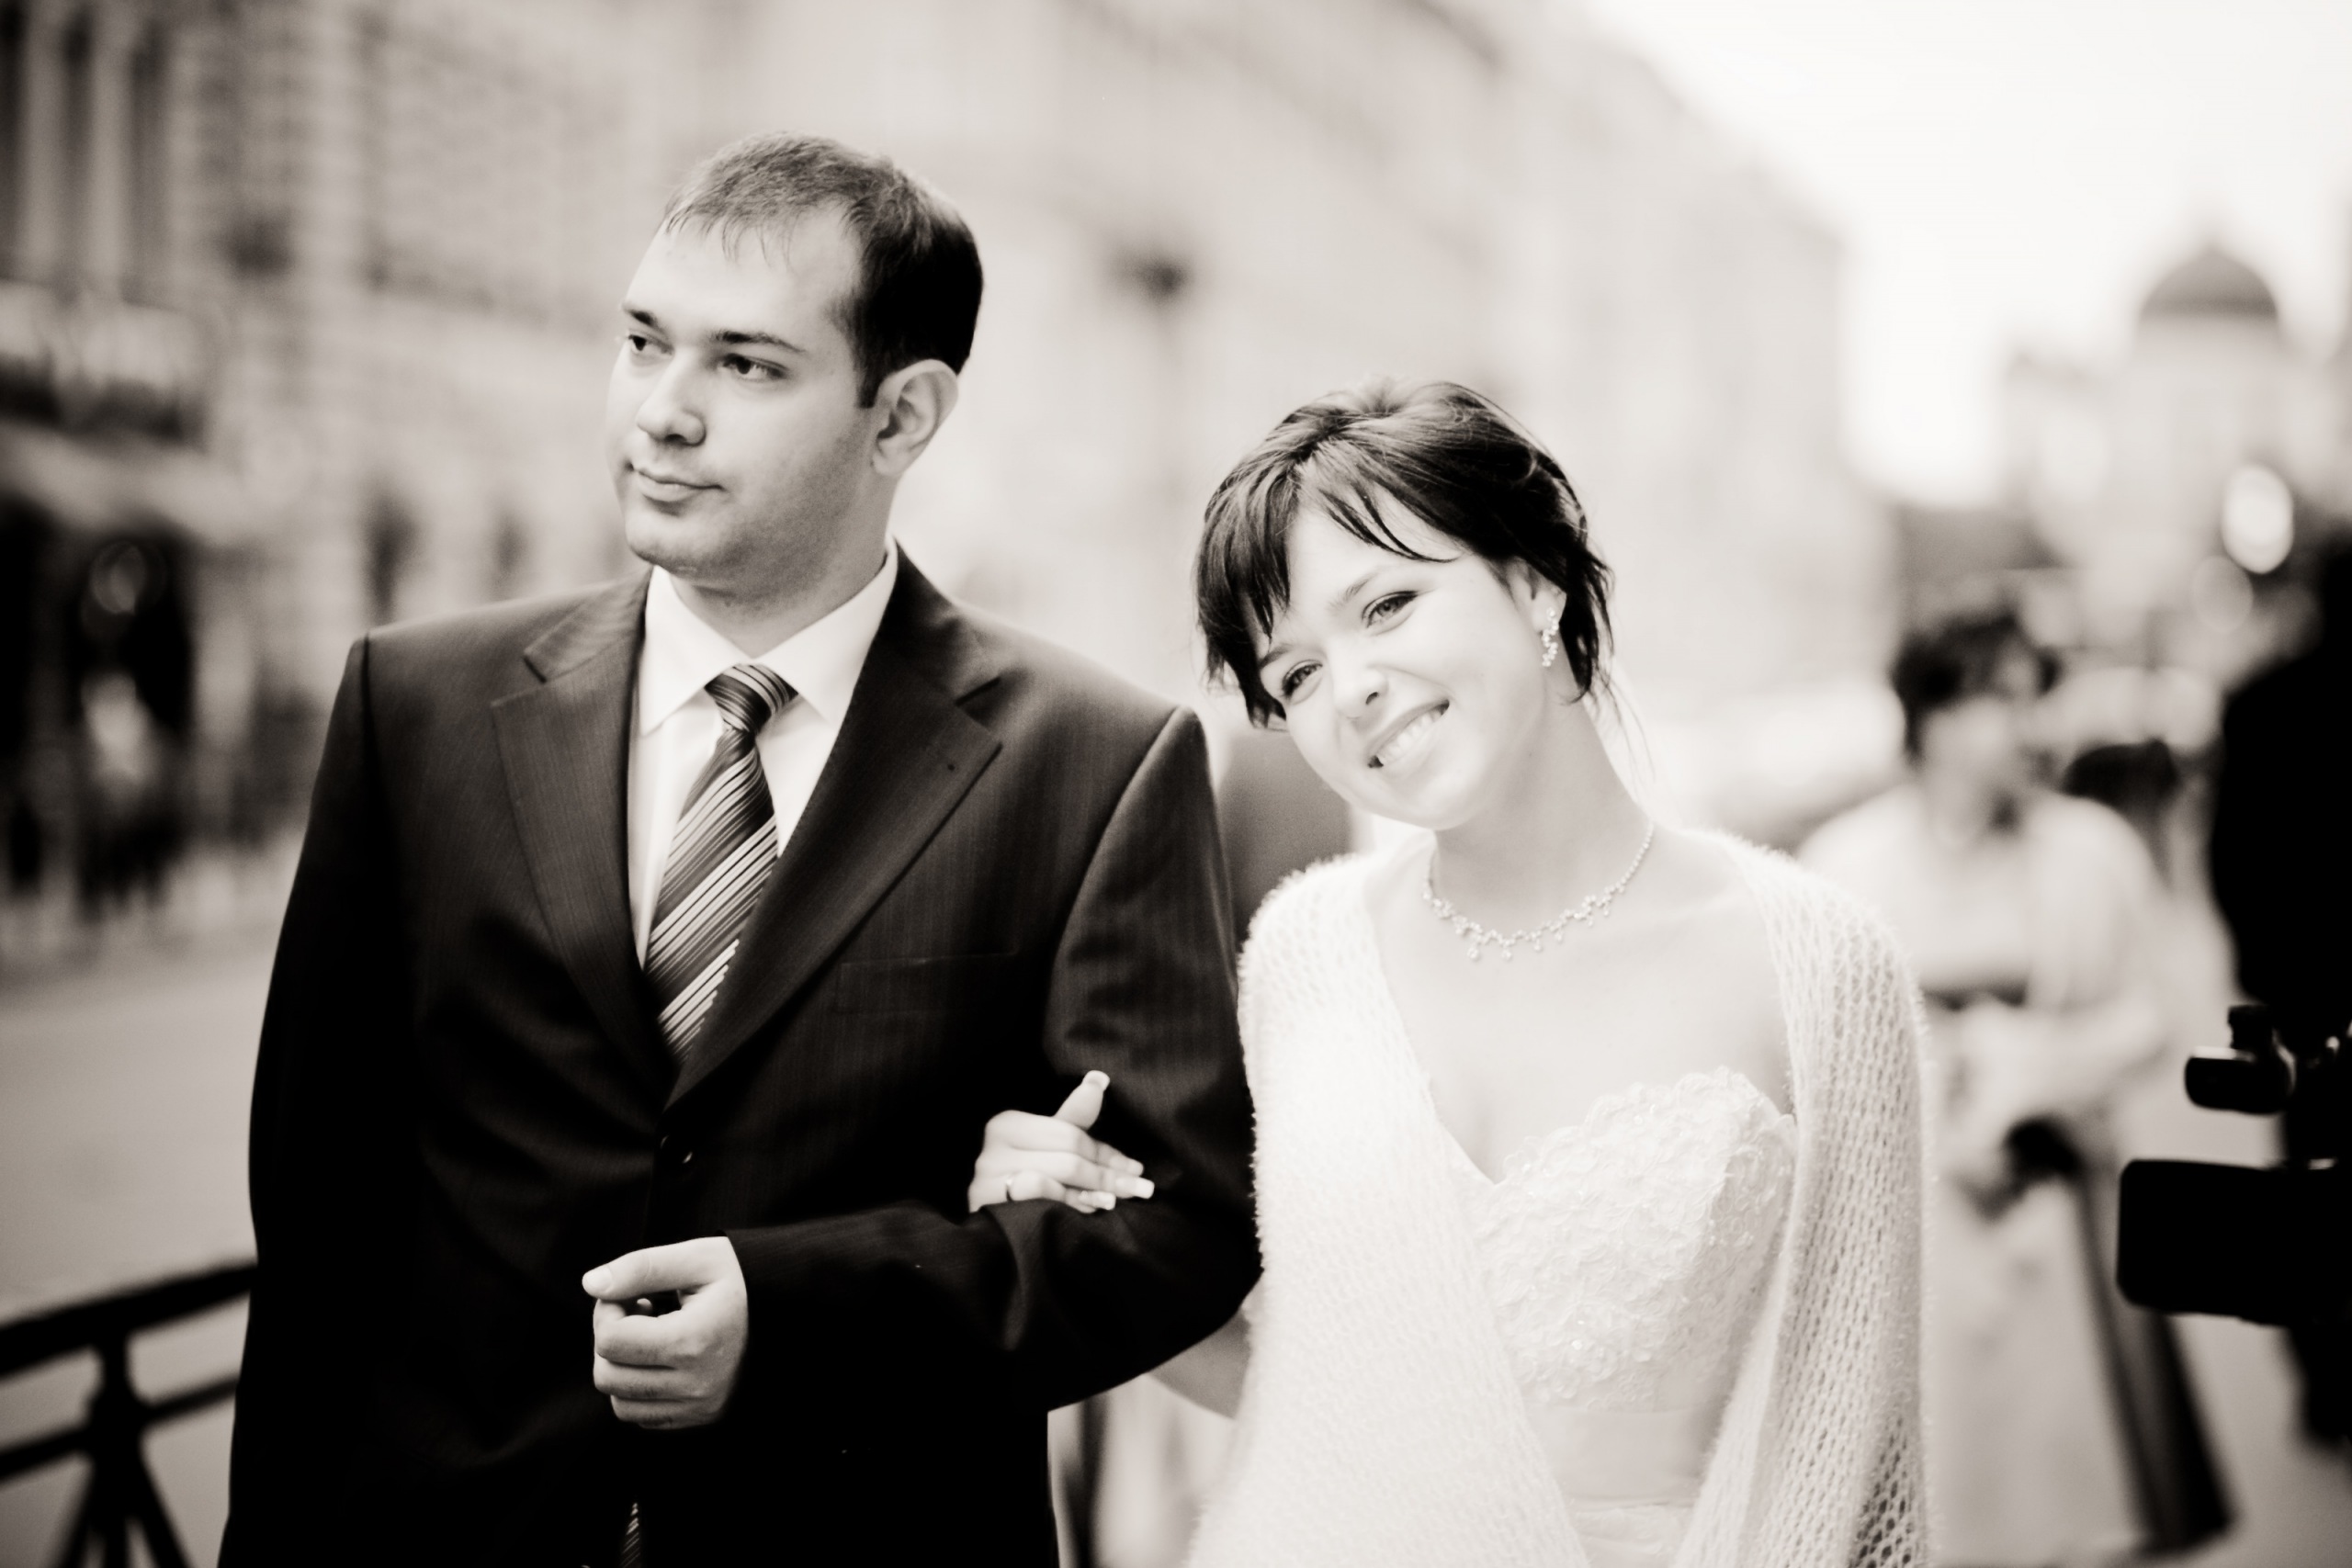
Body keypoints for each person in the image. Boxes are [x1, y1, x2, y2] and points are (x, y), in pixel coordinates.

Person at [224, 133, 1258, 1566]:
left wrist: (800, 1312)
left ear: (902, 416)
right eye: (644, 342)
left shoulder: (1095, 761)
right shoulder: (415, 707)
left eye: (747, 365)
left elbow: (1176, 1227)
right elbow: (320, 1231)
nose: (663, 411)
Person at [974, 379, 1927, 1568]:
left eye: (1388, 604)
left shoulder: (1816, 962)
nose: (1352, 689)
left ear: (1533, 582)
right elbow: (1301, 1381)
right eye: (1295, 675)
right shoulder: (1303, 951)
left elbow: (1860, 1447)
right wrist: (1068, 1221)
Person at [1804, 611, 2228, 1564]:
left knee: (2077, 1490)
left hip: (2063, 1207)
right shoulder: (1844, 866)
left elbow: (2154, 1014)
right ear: (1932, 716)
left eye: (2037, 697)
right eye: (2001, 699)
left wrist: (2029, 1066)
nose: (2032, 725)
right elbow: (1817, 1056)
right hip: (1918, 1232)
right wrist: (1941, 1116)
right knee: (1944, 1496)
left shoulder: (2090, 850)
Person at [2210, 544, 2352, 1450]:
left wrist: (2262, 971)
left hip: (2307, 1001)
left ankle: (2326, 1375)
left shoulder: (2262, 704)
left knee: (2308, 1182)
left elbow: (2231, 859)